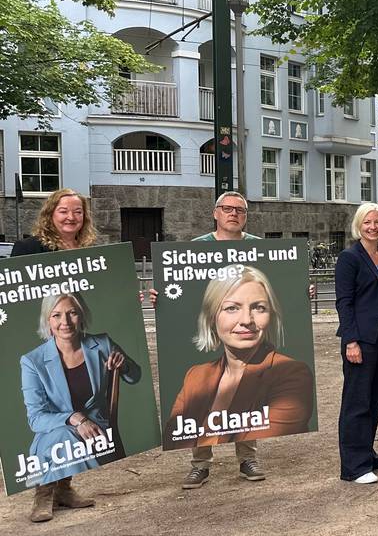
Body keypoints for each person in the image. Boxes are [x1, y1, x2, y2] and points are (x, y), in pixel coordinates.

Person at [13, 189, 126, 523]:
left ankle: (62, 488)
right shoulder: (30, 247)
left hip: (78, 353)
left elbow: (107, 288)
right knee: (59, 425)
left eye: (77, 212)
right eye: (63, 211)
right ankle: (44, 493)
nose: (71, 218)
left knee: (69, 410)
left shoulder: (88, 251)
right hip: (53, 347)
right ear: (51, 213)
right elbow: (13, 291)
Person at [154, 191, 270, 489]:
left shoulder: (259, 248)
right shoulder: (195, 249)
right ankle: (200, 463)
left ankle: (247, 458)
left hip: (245, 330)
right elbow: (178, 288)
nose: (234, 213)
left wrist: (300, 288)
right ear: (215, 213)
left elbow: (275, 284)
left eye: (240, 210)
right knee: (202, 392)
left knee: (247, 389)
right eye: (227, 208)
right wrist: (160, 296)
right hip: (208, 328)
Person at [165, 266, 314, 453]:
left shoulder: (291, 373)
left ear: (271, 315)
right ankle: (202, 467)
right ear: (212, 317)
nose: (246, 320)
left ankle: (248, 460)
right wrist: (160, 302)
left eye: (259, 308)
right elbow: (173, 438)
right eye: (232, 308)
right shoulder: (195, 376)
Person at [336, 202, 378, 483]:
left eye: (377, 222)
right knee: (357, 401)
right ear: (359, 225)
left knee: (377, 398)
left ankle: (367, 454)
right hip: (362, 339)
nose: (373, 227)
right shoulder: (349, 258)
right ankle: (353, 467)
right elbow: (344, 302)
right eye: (367, 222)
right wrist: (351, 340)